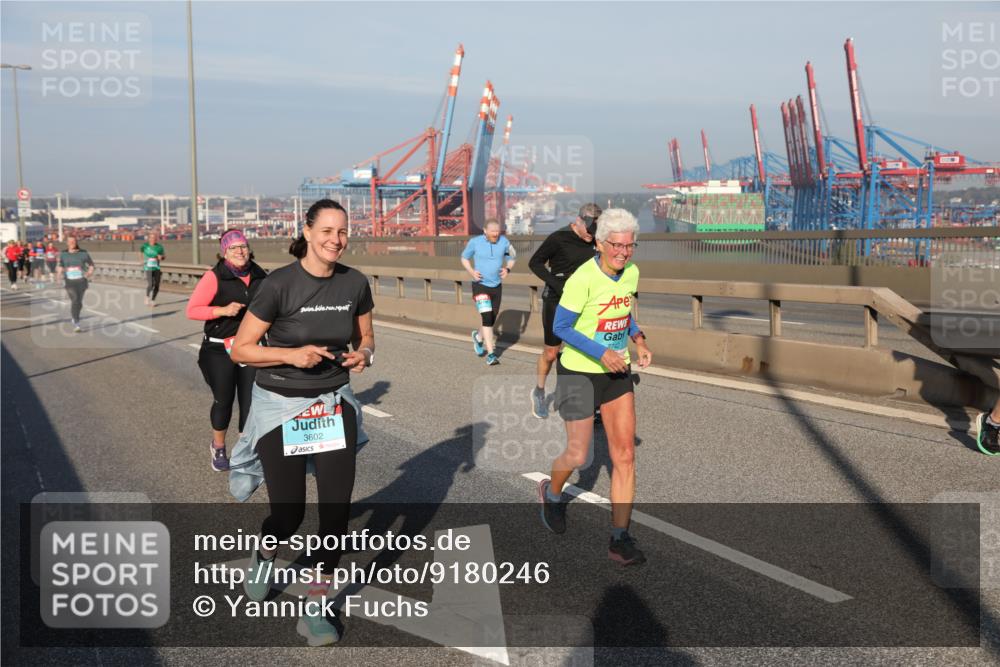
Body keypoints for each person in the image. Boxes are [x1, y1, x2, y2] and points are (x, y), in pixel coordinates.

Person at [229, 199, 374, 646]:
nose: (336, 239)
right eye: (327, 230)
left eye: (343, 232)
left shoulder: (355, 283)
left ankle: (315, 608)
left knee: (336, 515)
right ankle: (267, 552)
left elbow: (366, 335)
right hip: (282, 407)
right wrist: (291, 354)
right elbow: (241, 349)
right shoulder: (278, 285)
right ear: (307, 232)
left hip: (332, 405)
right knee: (288, 513)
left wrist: (364, 354)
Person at [538, 209, 653, 566]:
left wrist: (638, 339)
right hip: (579, 372)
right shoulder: (582, 278)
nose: (623, 252)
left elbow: (624, 309)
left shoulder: (631, 272)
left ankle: (619, 539)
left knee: (625, 456)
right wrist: (601, 352)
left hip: (617, 370)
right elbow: (562, 327)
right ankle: (552, 493)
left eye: (629, 245)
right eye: (616, 245)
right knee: (577, 454)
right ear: (600, 243)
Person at [186, 229, 268, 471]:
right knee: (224, 401)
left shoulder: (259, 274)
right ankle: (218, 446)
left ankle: (244, 452)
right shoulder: (214, 276)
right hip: (218, 349)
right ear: (225, 252)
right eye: (234, 248)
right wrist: (221, 311)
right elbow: (192, 310)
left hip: (249, 348)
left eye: (243, 246)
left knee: (250, 403)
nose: (240, 251)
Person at [528, 203, 601, 418]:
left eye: (596, 233)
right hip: (557, 299)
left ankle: (590, 403)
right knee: (551, 353)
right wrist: (557, 284)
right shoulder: (558, 238)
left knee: (586, 350)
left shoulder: (596, 238)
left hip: (585, 302)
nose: (592, 237)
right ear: (579, 221)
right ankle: (539, 392)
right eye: (589, 232)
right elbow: (535, 263)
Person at [460, 219, 516, 366]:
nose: (495, 234)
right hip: (480, 285)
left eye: (497, 231)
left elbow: (512, 256)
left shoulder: (504, 242)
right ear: (485, 230)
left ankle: (478, 337)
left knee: (491, 318)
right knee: (486, 318)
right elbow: (464, 258)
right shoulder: (475, 242)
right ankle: (491, 354)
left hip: (496, 285)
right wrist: (472, 272)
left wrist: (508, 268)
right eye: (492, 231)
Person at [57, 235, 95, 332]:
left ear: (76, 242)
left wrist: (89, 273)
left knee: (79, 302)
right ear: (67, 243)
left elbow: (91, 264)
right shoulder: (64, 254)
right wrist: (58, 275)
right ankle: (76, 322)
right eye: (70, 241)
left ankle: (76, 316)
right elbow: (61, 265)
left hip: (82, 280)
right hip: (69, 281)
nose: (72, 243)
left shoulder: (83, 253)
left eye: (73, 241)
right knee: (75, 300)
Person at [141, 231, 165, 306]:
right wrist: (142, 260)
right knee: (151, 284)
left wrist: (161, 257)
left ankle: (153, 300)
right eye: (151, 238)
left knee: (157, 285)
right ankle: (147, 297)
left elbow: (163, 256)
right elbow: (140, 253)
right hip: (148, 267)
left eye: (154, 238)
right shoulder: (145, 246)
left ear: (156, 239)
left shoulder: (159, 247)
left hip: (156, 267)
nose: (152, 239)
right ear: (149, 239)